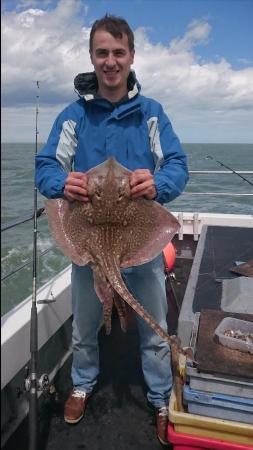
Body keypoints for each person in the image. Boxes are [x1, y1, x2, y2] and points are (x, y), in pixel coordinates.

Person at [35, 15, 188, 446]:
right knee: (84, 324)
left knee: (153, 321)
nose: (110, 61)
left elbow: (176, 164)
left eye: (118, 52)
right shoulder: (74, 116)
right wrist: (60, 182)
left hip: (138, 238)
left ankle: (160, 398)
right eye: (102, 52)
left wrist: (159, 182)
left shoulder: (151, 114)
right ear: (92, 57)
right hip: (87, 239)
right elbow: (48, 165)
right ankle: (82, 384)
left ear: (131, 56)